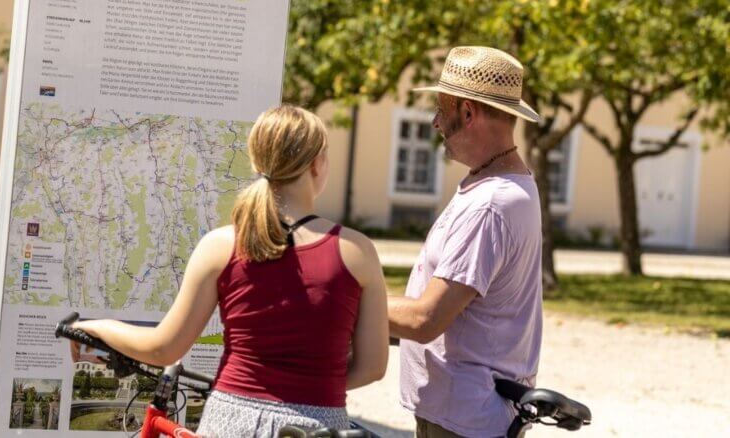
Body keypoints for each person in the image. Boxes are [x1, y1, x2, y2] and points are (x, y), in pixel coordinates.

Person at [72, 105, 389, 436]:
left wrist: (98, 326)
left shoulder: (221, 245)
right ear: (316, 164)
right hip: (316, 426)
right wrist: (314, 383)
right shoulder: (357, 251)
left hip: (230, 420)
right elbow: (373, 367)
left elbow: (164, 347)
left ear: (256, 163)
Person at [387, 46, 544, 438]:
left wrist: (339, 300)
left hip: (462, 419)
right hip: (466, 412)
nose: (437, 122)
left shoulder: (490, 204)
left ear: (468, 112)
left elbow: (426, 319)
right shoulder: (502, 184)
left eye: (442, 109)